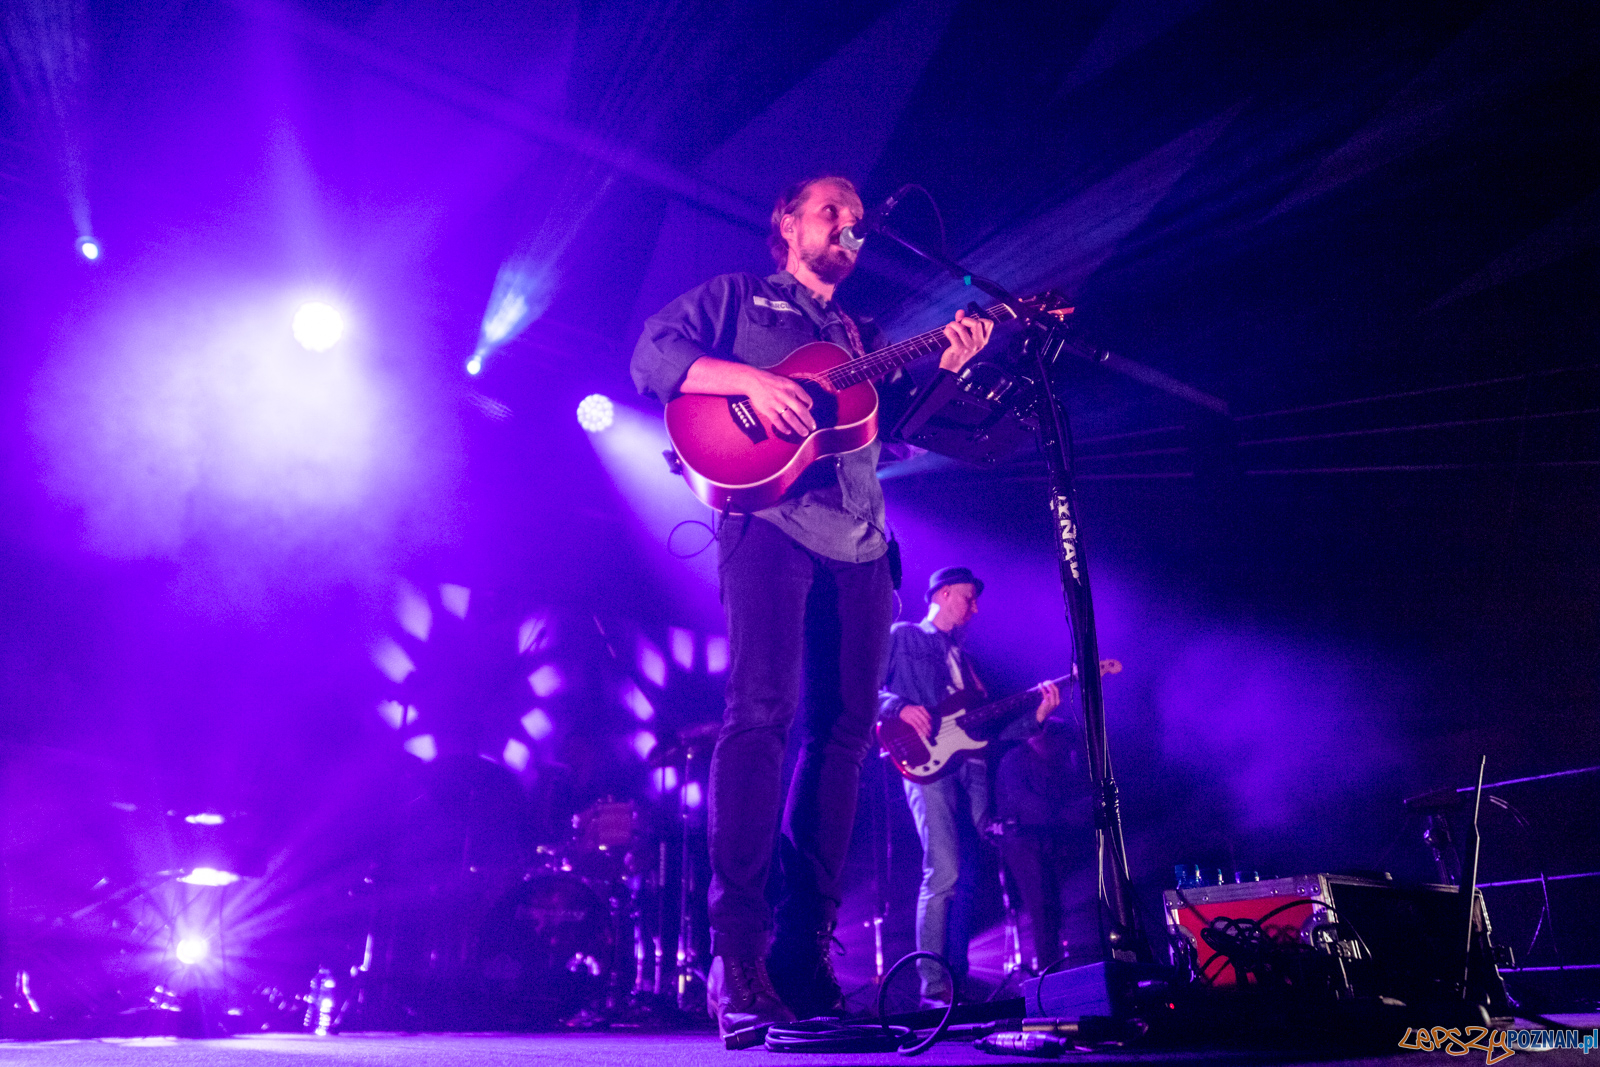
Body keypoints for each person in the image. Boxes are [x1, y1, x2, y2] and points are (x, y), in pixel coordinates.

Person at [630, 176, 993, 1038]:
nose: (848, 223)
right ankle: (739, 953)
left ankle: (802, 954)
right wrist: (746, 382)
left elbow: (886, 428)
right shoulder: (737, 298)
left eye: (856, 218)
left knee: (844, 737)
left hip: (863, 543)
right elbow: (653, 354)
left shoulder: (860, 337)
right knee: (761, 714)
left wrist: (946, 364)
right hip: (769, 522)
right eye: (831, 209)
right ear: (786, 222)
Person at [877, 566, 1060, 1005]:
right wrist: (899, 706)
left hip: (973, 766)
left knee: (978, 865)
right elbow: (864, 686)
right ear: (940, 595)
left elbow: (985, 730)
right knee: (942, 870)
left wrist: (1035, 717)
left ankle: (963, 971)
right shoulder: (904, 636)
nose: (974, 608)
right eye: (967, 598)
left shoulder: (964, 660)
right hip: (925, 760)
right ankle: (932, 985)